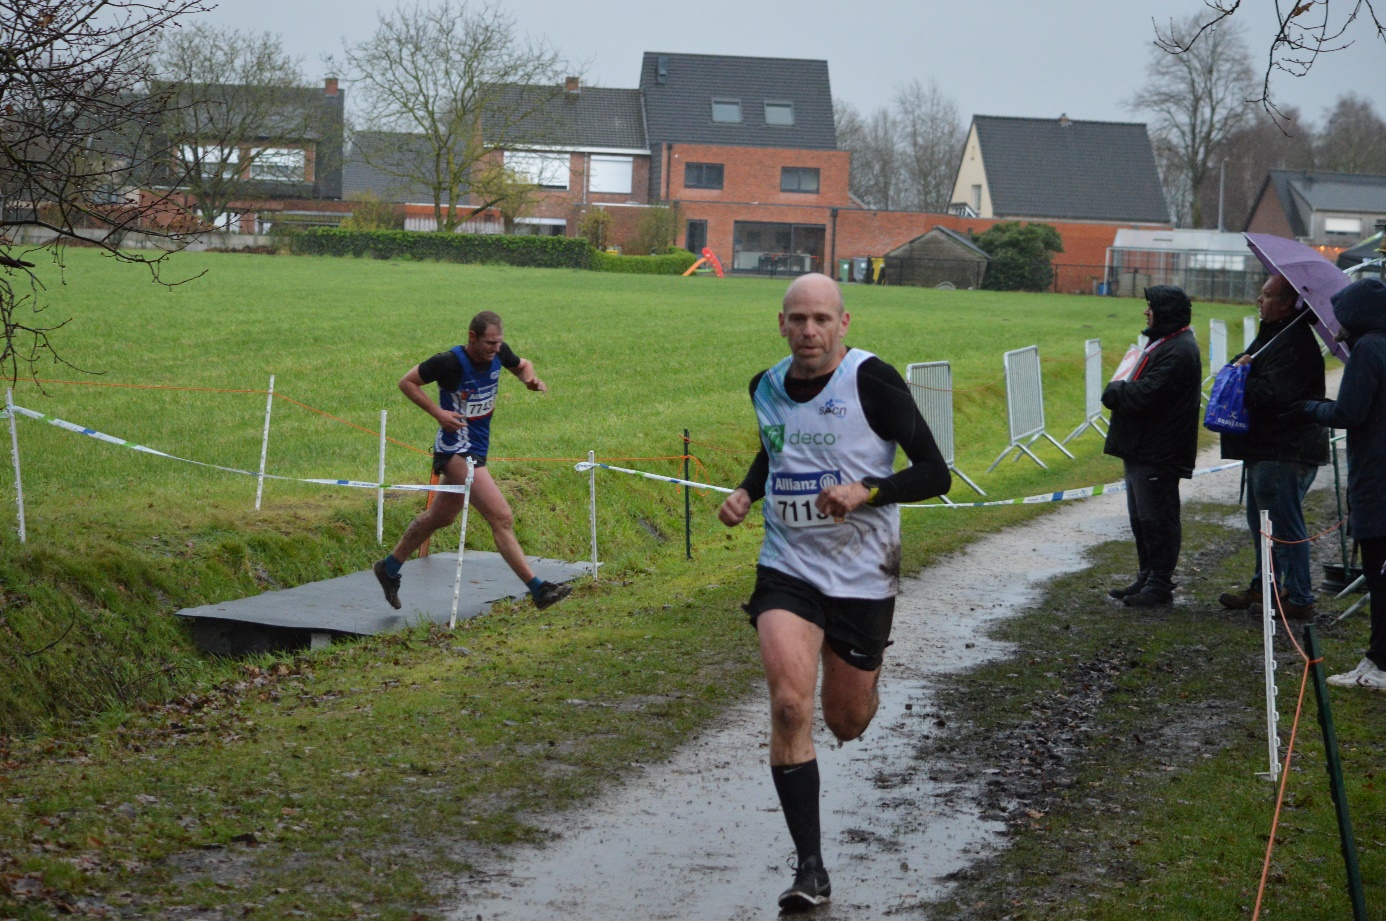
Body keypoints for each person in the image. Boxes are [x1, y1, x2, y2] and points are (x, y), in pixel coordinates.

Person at [716, 273, 951, 912]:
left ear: (843, 323)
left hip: (863, 570)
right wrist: (747, 491)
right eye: (797, 319)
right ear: (782, 323)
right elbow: (777, 449)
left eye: (821, 319)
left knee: (845, 719)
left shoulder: (873, 381)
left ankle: (865, 680)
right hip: (788, 566)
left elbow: (937, 473)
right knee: (790, 706)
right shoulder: (764, 386)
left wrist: (867, 491)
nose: (809, 331)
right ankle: (811, 869)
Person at [372, 310, 571, 611]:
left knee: (441, 517)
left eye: (499, 343)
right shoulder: (448, 362)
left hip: (477, 446)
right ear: (472, 337)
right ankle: (538, 589)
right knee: (501, 517)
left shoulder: (499, 353)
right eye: (489, 343)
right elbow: (407, 383)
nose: (495, 349)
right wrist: (438, 413)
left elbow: (523, 365)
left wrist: (529, 380)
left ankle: (388, 567)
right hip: (454, 448)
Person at [1291, 278, 1386, 689]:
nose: (1336, 324)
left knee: (1379, 571)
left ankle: (1381, 664)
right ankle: (1375, 657)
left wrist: (1309, 408)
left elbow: (1350, 413)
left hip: (1378, 476)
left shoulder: (1368, 350)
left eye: (1341, 315)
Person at [1217, 274, 1329, 620]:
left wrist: (1244, 378)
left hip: (1285, 450)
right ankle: (1263, 586)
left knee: (1284, 526)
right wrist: (1240, 366)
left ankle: (1299, 595)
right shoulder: (1273, 336)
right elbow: (1253, 369)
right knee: (1261, 524)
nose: (1259, 301)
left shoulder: (1294, 343)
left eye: (1266, 296)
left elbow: (1273, 395)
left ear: (1285, 304)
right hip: (1264, 448)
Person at [1102, 285, 1203, 607]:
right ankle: (1147, 576)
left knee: (1157, 518)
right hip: (1143, 447)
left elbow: (1147, 393)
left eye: (1151, 307)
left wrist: (1115, 392)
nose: (1146, 312)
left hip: (1159, 450)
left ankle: (1159, 584)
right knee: (1141, 518)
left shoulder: (1179, 349)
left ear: (1167, 312)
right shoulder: (1167, 344)